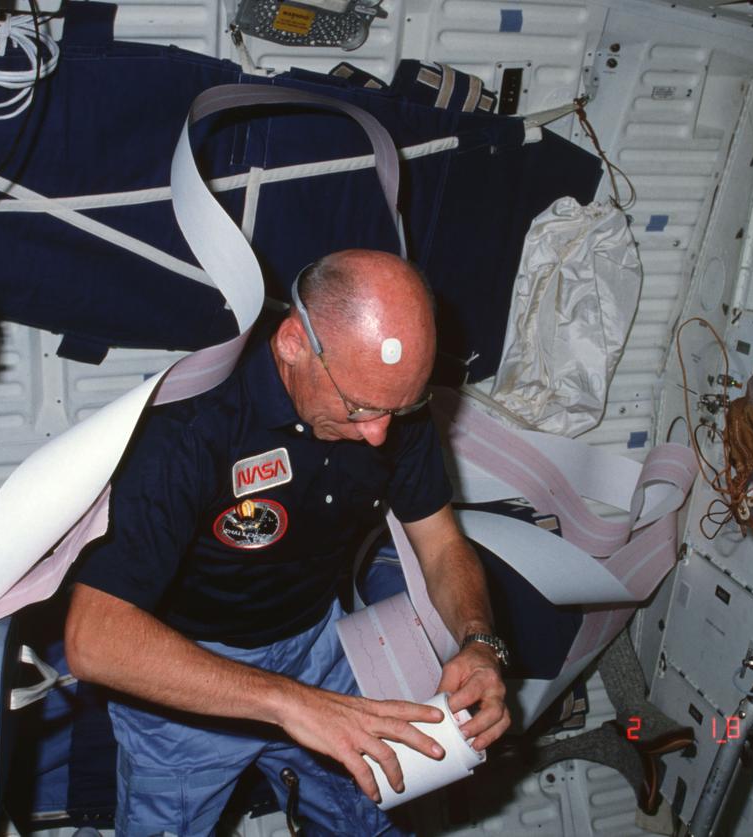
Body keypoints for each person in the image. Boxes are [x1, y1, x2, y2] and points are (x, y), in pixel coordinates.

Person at [66, 249, 510, 835]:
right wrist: (290, 703)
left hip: (317, 646)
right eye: (360, 408)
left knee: (369, 815)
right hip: (189, 676)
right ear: (293, 343)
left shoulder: (391, 406)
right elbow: (93, 640)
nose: (379, 434)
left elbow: (442, 544)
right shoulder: (188, 428)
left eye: (401, 408)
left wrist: (478, 641)